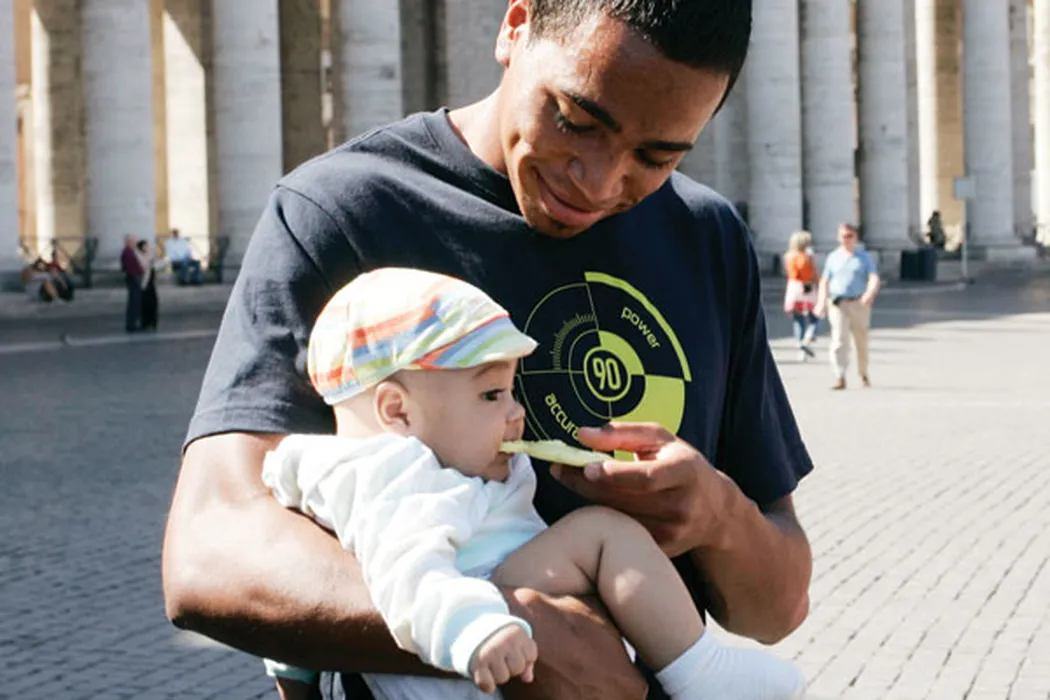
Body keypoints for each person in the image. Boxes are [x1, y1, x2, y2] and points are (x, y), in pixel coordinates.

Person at [162, 3, 816, 699]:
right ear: (515, 26)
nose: (598, 182)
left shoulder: (707, 238)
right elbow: (211, 554)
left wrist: (716, 516)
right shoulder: (341, 211)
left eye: (656, 157)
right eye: (575, 120)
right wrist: (517, 632)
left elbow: (777, 610)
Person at [261, 268, 806, 700]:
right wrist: (474, 631)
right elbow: (406, 573)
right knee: (600, 533)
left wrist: (294, 677)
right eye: (491, 395)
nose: (516, 413)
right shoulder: (393, 476)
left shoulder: (378, 474)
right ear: (397, 411)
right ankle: (701, 672)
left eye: (512, 392)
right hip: (481, 637)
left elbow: (292, 643)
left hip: (494, 621)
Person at [814, 223, 881, 391]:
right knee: (839, 339)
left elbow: (873, 277)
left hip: (859, 303)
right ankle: (840, 375)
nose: (847, 239)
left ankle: (863, 373)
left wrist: (869, 294)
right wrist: (821, 301)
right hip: (838, 303)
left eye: (850, 236)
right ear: (838, 238)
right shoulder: (833, 257)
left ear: (856, 238)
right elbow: (825, 280)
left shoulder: (864, 257)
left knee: (861, 340)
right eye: (843, 236)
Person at [782, 230, 818, 362]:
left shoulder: (788, 256)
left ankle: (800, 344)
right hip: (807, 287)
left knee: (798, 319)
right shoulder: (808, 256)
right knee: (815, 316)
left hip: (793, 287)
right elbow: (813, 272)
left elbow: (790, 273)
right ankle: (809, 336)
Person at [120, 235, 145, 333]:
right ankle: (131, 324)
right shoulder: (127, 253)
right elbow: (130, 267)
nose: (135, 243)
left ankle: (133, 323)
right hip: (133, 278)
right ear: (128, 242)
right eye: (133, 241)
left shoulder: (130, 252)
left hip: (134, 277)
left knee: (135, 302)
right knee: (134, 302)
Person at [136, 240, 159, 331]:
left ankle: (153, 321)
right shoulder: (139, 256)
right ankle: (145, 322)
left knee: (153, 302)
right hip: (145, 283)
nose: (147, 248)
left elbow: (155, 267)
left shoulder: (150, 256)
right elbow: (142, 267)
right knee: (145, 303)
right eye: (145, 246)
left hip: (151, 282)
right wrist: (149, 261)